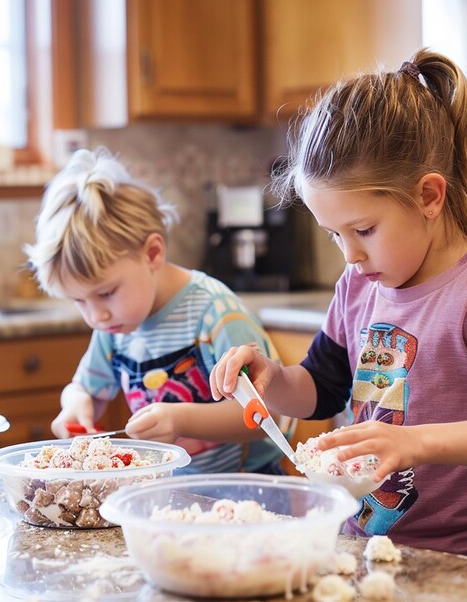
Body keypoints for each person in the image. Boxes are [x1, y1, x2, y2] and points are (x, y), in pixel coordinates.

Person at [210, 49, 467, 564]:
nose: (351, 254)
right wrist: (272, 380)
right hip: (363, 553)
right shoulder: (358, 286)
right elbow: (322, 388)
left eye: (363, 230)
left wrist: (415, 443)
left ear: (429, 196)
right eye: (334, 235)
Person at [24, 146, 288, 475]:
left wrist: (180, 419)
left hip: (246, 487)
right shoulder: (114, 325)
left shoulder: (213, 314)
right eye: (78, 301)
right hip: (165, 488)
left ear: (151, 254)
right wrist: (75, 405)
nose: (96, 316)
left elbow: (267, 415)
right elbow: (83, 387)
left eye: (106, 293)